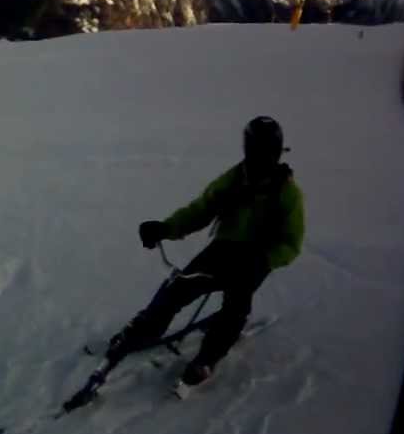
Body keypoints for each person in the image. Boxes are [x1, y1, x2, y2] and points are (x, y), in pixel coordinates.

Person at [104, 116, 305, 387]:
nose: (259, 158)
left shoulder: (287, 193)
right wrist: (165, 228)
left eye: (266, 151)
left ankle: (207, 358)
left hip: (255, 259)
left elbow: (291, 243)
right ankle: (141, 331)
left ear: (277, 152)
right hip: (222, 250)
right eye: (254, 150)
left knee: (235, 307)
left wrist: (264, 260)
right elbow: (201, 210)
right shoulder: (234, 180)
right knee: (177, 288)